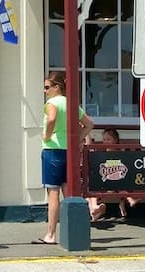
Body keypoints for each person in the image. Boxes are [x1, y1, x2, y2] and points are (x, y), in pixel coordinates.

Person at [37, 71, 89, 245]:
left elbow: (51, 119)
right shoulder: (72, 104)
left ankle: (51, 234)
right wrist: (78, 139)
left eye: (47, 87)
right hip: (69, 151)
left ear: (57, 87)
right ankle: (73, 232)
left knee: (53, 193)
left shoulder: (51, 103)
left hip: (52, 151)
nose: (45, 91)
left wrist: (47, 135)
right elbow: (89, 124)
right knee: (68, 191)